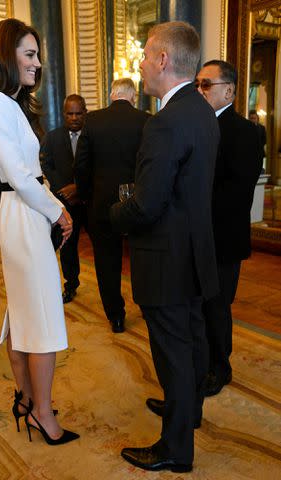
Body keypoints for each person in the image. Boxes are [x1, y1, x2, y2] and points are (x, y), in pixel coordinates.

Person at [110, 22, 220, 472]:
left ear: (162, 60)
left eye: (145, 54)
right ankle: (187, 411)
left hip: (167, 259)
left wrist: (113, 214)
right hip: (195, 252)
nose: (139, 64)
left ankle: (175, 449)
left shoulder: (166, 122)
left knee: (173, 354)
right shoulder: (202, 110)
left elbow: (147, 205)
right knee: (191, 342)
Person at [0, 18, 79, 445]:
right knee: (42, 318)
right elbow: (18, 173)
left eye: (37, 55)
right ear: (5, 57)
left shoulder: (5, 103)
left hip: (23, 211)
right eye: (29, 55)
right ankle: (42, 413)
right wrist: (58, 212)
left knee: (24, 313)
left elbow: (23, 174)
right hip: (22, 210)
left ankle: (28, 401)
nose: (37, 63)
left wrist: (51, 208)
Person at [195, 60, 262, 396]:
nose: (199, 90)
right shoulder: (195, 125)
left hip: (223, 236)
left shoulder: (247, 132)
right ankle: (204, 361)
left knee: (217, 306)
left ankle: (220, 368)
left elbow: (237, 193)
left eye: (207, 84)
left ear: (230, 91)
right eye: (198, 84)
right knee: (198, 305)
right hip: (194, 236)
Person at [75, 78, 150, 333]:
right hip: (138, 202)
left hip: (102, 204)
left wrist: (85, 196)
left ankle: (116, 316)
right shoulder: (146, 120)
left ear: (111, 94)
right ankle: (148, 307)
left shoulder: (93, 120)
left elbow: (82, 165)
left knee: (107, 260)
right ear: (134, 96)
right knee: (141, 256)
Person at [40, 94, 87, 303]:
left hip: (90, 200)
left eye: (78, 113)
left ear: (85, 113)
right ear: (64, 114)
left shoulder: (94, 135)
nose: (74, 118)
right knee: (68, 246)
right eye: (70, 113)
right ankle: (71, 285)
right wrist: (63, 189)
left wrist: (79, 187)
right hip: (65, 203)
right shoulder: (52, 138)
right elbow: (46, 166)